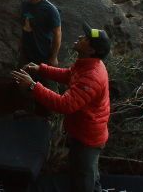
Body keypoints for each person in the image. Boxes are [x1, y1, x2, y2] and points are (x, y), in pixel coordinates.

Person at [11, 23, 111, 192]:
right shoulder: (87, 64)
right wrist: (41, 69)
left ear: (92, 50)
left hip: (87, 139)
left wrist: (32, 86)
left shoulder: (92, 77)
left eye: (86, 38)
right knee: (87, 172)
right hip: (82, 131)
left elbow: (65, 105)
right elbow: (68, 75)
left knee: (83, 179)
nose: (80, 37)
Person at [19, 0, 62, 68]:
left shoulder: (50, 9)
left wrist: (54, 57)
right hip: (25, 51)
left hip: (41, 53)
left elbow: (57, 34)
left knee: (38, 80)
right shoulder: (24, 2)